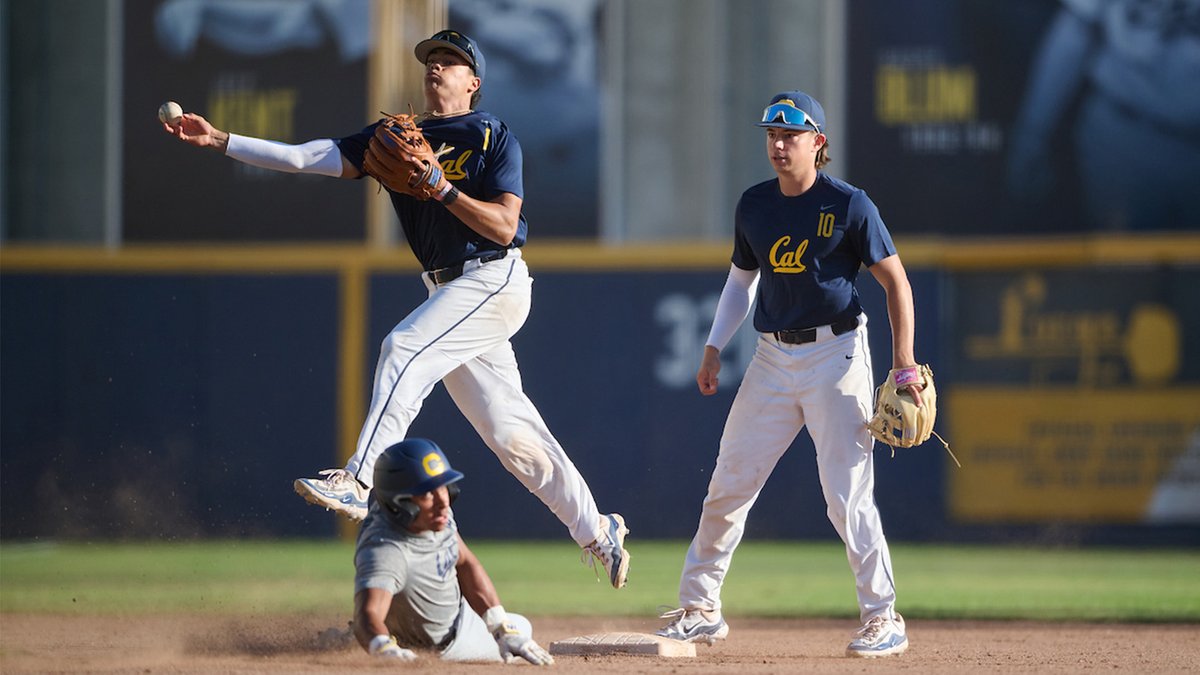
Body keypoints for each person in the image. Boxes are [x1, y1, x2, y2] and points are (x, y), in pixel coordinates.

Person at [162, 29, 629, 588]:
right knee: (513, 438)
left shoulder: (491, 134)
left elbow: (506, 227)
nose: (436, 68)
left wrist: (442, 188)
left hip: (492, 279)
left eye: (451, 62)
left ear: (473, 82)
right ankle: (599, 531)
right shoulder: (392, 136)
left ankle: (358, 481)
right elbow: (307, 156)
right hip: (448, 292)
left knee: (402, 347)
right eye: (432, 59)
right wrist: (221, 140)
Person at [655, 91, 918, 658]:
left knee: (846, 495)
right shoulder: (754, 204)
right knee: (729, 483)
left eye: (791, 135)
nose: (778, 144)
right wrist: (712, 346)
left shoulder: (850, 205)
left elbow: (896, 282)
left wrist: (904, 365)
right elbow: (739, 282)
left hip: (837, 354)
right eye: (771, 134)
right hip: (772, 358)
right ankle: (700, 608)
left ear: (817, 142)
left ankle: (882, 617)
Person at [353, 437, 553, 664]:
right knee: (524, 627)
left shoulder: (432, 515)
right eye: (427, 493)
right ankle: (374, 636)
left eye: (443, 488)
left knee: (514, 626)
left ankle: (369, 635)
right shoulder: (386, 551)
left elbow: (466, 562)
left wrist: (501, 626)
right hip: (446, 644)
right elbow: (366, 614)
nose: (442, 501)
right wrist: (383, 649)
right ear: (399, 503)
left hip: (455, 613)